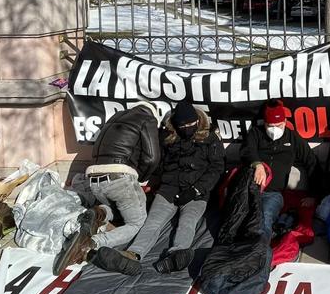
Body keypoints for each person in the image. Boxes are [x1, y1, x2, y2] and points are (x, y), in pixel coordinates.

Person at [120, 101, 225, 275]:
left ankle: (177, 254)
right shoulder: (167, 137)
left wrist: (196, 190)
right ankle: (133, 254)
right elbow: (159, 164)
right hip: (168, 189)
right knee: (152, 222)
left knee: (187, 223)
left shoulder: (210, 138)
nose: (186, 128)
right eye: (182, 125)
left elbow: (217, 168)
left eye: (190, 124)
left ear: (198, 121)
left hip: (196, 193)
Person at [57, 101, 162, 272]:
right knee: (136, 223)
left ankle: (99, 213)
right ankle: (91, 243)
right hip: (119, 176)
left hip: (93, 177)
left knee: (116, 207)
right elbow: (152, 158)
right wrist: (142, 177)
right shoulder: (147, 119)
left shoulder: (116, 116)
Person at [239, 99, 318, 236]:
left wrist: (314, 195)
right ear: (264, 123)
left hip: (273, 194)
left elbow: (312, 162)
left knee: (264, 219)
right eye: (270, 125)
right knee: (239, 219)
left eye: (278, 125)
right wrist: (257, 164)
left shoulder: (293, 138)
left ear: (285, 122)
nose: (274, 129)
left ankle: (259, 251)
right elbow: (247, 150)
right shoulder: (256, 133)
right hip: (249, 189)